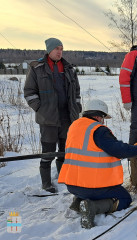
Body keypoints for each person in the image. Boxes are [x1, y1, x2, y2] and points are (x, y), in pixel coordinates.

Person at [58, 99, 137, 229]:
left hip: (72, 185)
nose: (103, 121)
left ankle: (79, 201)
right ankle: (93, 207)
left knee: (88, 191)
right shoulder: (98, 130)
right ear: (99, 116)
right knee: (125, 198)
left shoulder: (74, 126)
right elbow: (118, 149)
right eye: (103, 118)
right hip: (91, 186)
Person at [24, 38, 81, 193]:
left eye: (61, 48)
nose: (59, 51)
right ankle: (46, 183)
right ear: (49, 50)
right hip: (48, 118)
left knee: (64, 150)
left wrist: (77, 107)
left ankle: (63, 177)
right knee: (48, 152)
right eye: (56, 48)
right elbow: (29, 92)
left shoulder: (68, 68)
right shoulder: (37, 68)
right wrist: (40, 108)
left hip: (67, 117)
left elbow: (76, 92)